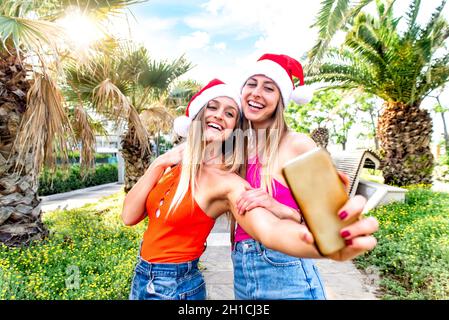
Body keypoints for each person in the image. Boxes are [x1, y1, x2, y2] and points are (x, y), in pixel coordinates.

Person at [122, 79, 328, 300]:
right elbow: (128, 216)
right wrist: (159, 163)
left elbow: (282, 230)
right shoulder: (176, 165)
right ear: (198, 115)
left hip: (177, 286)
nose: (219, 115)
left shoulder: (229, 180)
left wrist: (285, 211)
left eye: (230, 114)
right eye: (212, 107)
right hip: (146, 277)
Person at [231, 53, 379, 300]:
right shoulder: (237, 149)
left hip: (286, 274)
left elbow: (331, 227)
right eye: (251, 84)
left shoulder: (297, 144)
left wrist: (281, 209)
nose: (256, 93)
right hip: (243, 273)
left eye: (269, 88)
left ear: (281, 100)